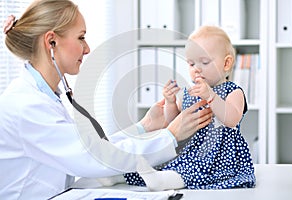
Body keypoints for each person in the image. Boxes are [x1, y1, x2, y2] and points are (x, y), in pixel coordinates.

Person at [0, 1, 213, 199]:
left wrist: (144, 127)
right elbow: (95, 158)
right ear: (51, 41)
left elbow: (91, 149)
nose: (87, 48)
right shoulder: (26, 106)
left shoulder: (42, 96)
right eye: (81, 37)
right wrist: (171, 135)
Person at [124, 25, 256, 190]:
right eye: (191, 63)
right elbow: (173, 122)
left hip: (218, 155)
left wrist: (211, 96)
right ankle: (113, 176)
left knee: (190, 169)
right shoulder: (189, 92)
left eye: (205, 62)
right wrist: (170, 102)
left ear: (226, 63)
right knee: (159, 160)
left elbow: (231, 119)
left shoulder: (233, 91)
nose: (197, 69)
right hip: (189, 148)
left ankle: (163, 182)